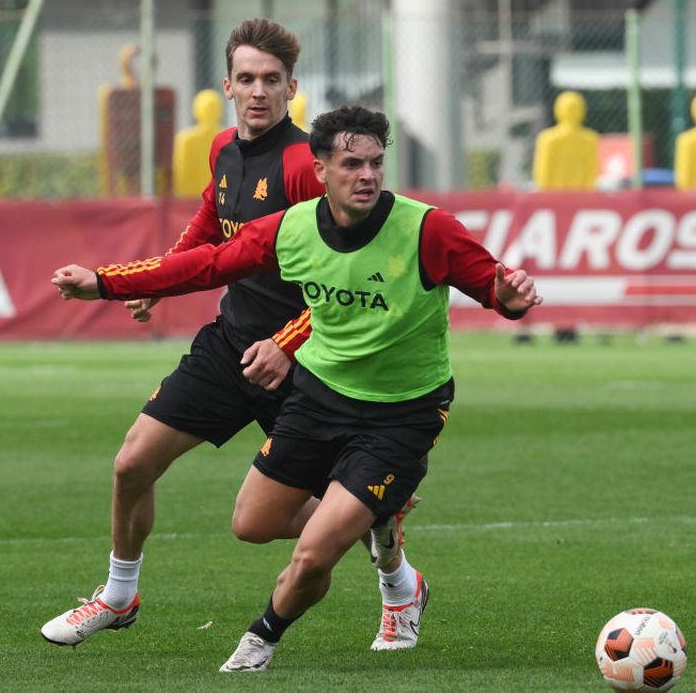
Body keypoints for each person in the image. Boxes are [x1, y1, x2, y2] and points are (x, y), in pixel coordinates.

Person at [51, 105, 542, 671]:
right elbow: (208, 264)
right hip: (319, 396)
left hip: (402, 415)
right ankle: (369, 515)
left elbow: (494, 287)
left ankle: (261, 639)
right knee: (251, 524)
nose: (367, 176)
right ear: (321, 170)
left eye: (377, 164)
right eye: (352, 164)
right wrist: (106, 283)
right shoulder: (292, 228)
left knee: (313, 556)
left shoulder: (427, 228)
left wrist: (512, 295)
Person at [40, 19, 411, 649]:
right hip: (231, 343)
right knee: (132, 461)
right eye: (247, 79)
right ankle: (119, 596)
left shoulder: (304, 166)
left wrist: (287, 343)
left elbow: (352, 283)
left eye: (272, 80)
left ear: (293, 88)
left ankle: (398, 585)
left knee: (336, 504)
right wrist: (150, 280)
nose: (258, 90)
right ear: (226, 86)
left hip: (307, 363)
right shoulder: (222, 150)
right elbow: (210, 226)